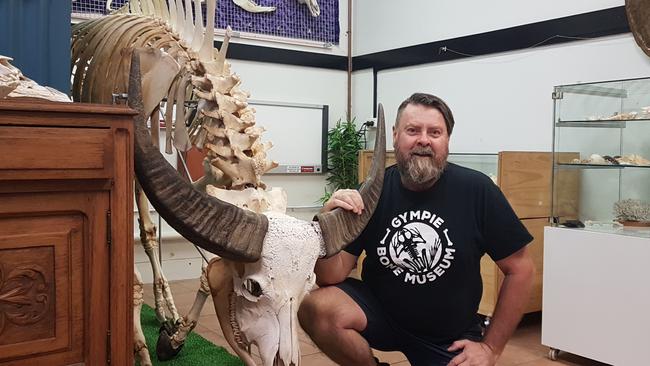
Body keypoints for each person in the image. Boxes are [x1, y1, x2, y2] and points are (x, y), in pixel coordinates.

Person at [298, 93, 535, 366]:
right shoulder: (374, 191)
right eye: (413, 130)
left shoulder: (477, 190)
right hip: (380, 314)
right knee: (316, 307)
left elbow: (521, 269)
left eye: (435, 132)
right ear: (396, 136)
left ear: (447, 140)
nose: (424, 140)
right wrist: (327, 225)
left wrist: (491, 348)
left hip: (449, 335)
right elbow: (331, 275)